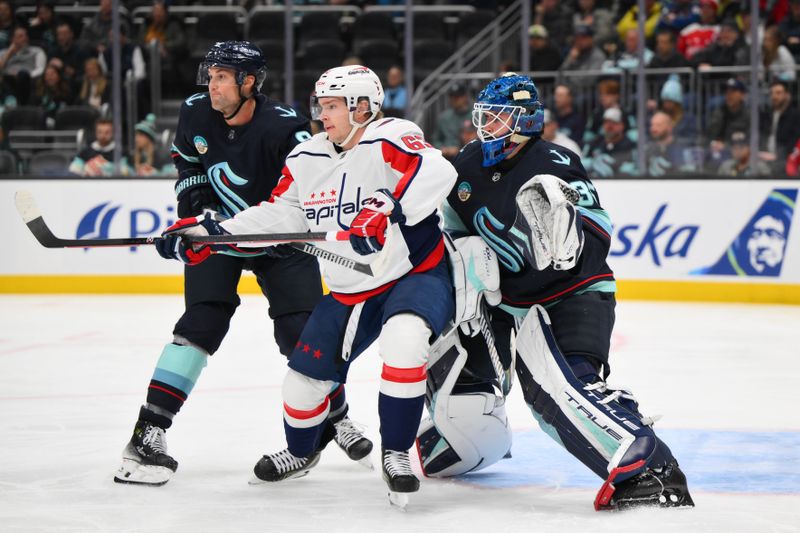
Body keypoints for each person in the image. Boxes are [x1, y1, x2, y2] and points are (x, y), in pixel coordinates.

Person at [153, 65, 457, 503]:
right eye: (321, 105)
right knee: (300, 384)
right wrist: (210, 234)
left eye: (333, 106)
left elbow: (435, 171)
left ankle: (396, 453)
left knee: (405, 340)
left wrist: (386, 204)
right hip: (350, 288)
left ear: (364, 107)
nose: (322, 114)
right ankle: (302, 453)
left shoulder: (390, 135)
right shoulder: (306, 158)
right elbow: (280, 216)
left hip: (413, 274)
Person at [425, 72, 693, 510]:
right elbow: (450, 230)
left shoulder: (556, 163)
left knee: (558, 386)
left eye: (497, 118)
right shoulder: (469, 163)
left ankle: (650, 468)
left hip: (574, 295)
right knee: (456, 363)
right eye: (485, 117)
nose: (485, 126)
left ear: (526, 121)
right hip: (505, 304)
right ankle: (463, 437)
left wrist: (572, 234)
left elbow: (598, 228)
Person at [113, 43, 372, 487]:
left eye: (222, 77)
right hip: (221, 237)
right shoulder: (195, 110)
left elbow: (303, 194)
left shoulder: (285, 129)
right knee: (201, 323)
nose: (211, 85)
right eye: (210, 75)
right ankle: (147, 434)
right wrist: (193, 222)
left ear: (249, 83)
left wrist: (270, 225)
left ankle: (335, 419)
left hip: (277, 238)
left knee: (303, 333)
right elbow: (188, 166)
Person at [433, 83, 472, 161]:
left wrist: (459, 148)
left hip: (467, 157)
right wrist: (442, 148)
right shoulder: (444, 117)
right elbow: (435, 139)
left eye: (457, 97)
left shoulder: (475, 115)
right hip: (445, 157)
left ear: (465, 97)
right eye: (451, 97)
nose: (454, 99)